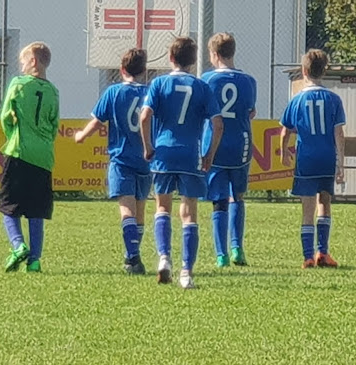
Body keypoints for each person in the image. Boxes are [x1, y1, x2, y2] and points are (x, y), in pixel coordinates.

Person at [139, 37, 224, 289]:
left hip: (164, 152)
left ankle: (164, 258)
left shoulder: (159, 83)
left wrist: (148, 146)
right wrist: (209, 153)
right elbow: (218, 124)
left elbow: (144, 117)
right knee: (189, 214)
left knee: (162, 208)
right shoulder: (202, 87)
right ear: (194, 60)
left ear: (171, 58)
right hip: (191, 154)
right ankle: (186, 273)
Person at [75, 48, 150, 275]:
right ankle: (132, 256)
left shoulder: (114, 92)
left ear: (121, 70)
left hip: (121, 159)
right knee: (140, 210)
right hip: (146, 159)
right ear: (145, 71)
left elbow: (97, 121)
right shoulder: (151, 93)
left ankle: (132, 257)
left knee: (126, 210)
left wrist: (81, 135)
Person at [280, 49, 345, 269]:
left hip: (306, 158)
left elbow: (285, 131)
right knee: (324, 203)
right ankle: (323, 253)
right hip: (326, 158)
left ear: (304, 71)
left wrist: (285, 152)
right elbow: (339, 133)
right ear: (324, 71)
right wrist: (341, 163)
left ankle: (308, 256)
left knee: (307, 208)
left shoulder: (297, 100)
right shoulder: (334, 99)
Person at [0, 42, 59, 273]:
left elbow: (5, 116)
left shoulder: (18, 84)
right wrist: (43, 142)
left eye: (23, 61)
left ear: (33, 61)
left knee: (8, 205)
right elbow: (55, 125)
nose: (21, 66)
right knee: (36, 210)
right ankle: (34, 261)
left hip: (19, 151)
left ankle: (17, 245)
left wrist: (13, 136)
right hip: (43, 157)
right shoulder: (53, 91)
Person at [201, 33, 257, 268]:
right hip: (240, 143)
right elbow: (251, 112)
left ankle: (221, 255)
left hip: (215, 143)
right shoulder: (249, 81)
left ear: (214, 54)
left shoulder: (206, 79)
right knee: (238, 195)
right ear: (233, 52)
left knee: (218, 199)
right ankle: (237, 248)